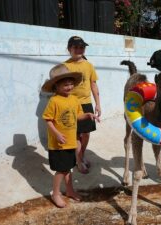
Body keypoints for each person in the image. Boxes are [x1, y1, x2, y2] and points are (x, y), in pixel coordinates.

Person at [42, 64, 100, 208]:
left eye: (71, 84)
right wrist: (56, 134)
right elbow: (48, 120)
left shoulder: (74, 99)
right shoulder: (54, 101)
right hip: (58, 143)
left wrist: (87, 115)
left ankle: (69, 190)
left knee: (68, 167)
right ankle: (55, 194)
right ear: (56, 86)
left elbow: (77, 116)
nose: (69, 87)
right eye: (65, 84)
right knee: (61, 170)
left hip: (71, 141)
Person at [63, 36, 101, 174]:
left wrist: (98, 104)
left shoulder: (89, 65)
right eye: (76, 47)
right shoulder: (65, 66)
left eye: (81, 47)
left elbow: (93, 85)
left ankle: (81, 154)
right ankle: (78, 161)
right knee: (76, 134)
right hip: (71, 105)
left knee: (86, 133)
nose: (79, 50)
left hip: (86, 104)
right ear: (69, 49)